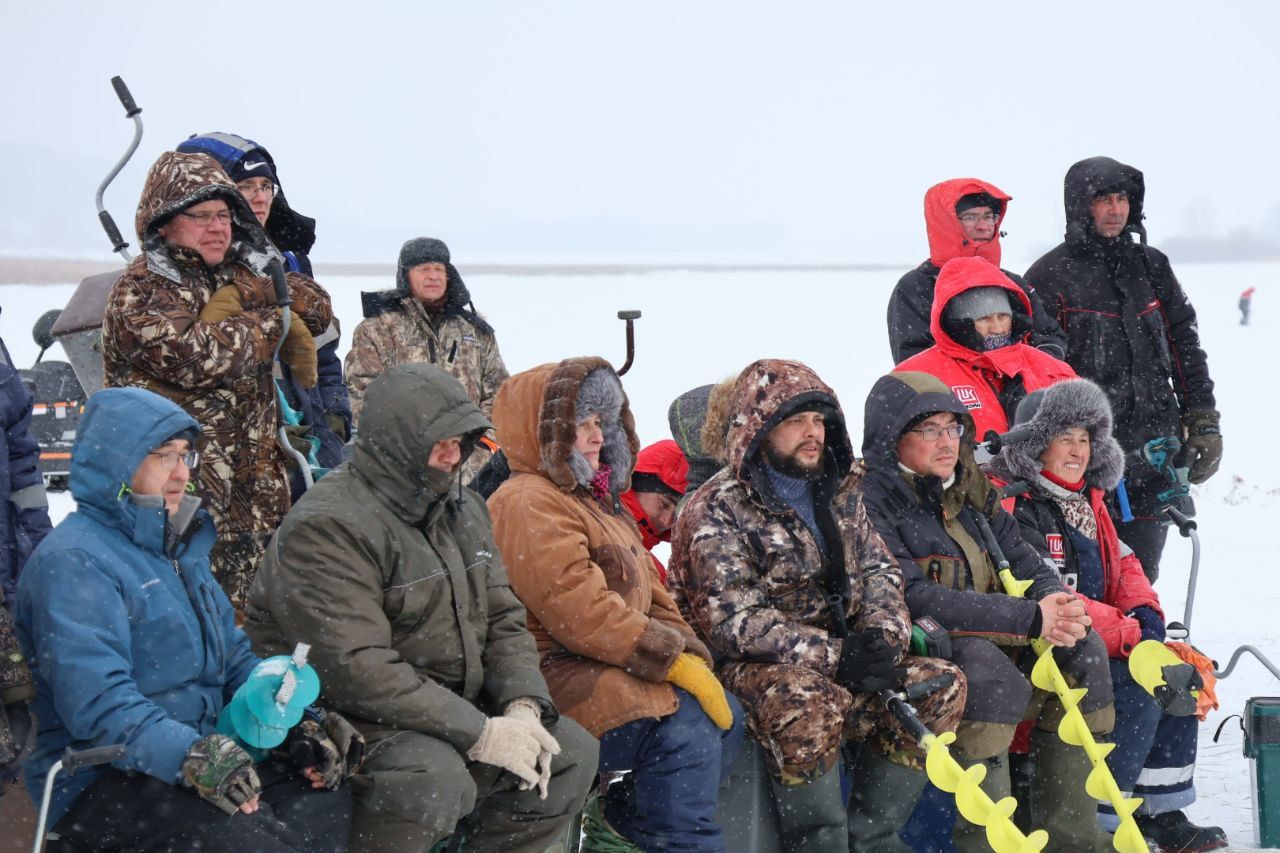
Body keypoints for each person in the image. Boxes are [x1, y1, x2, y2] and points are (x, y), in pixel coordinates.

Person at [244, 364, 597, 852]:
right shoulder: (330, 527)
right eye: (439, 444)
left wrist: (522, 706)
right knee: (430, 780)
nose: (453, 457)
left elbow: (502, 617)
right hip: (343, 716)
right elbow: (354, 669)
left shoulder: (462, 508)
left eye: (461, 442)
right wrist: (479, 732)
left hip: (443, 702)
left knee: (570, 753)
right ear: (399, 443)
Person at [15, 387, 353, 851]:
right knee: (252, 841)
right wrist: (191, 753)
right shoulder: (75, 562)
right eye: (162, 457)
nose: (180, 474)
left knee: (319, 801)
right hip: (101, 778)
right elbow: (98, 704)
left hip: (199, 758)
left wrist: (295, 722)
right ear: (117, 462)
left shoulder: (176, 549)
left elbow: (232, 658)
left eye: (185, 457)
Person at [669, 358, 967, 851]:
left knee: (940, 685)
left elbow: (880, 571)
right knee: (806, 701)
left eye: (818, 420)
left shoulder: (842, 487)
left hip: (842, 659)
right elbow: (732, 622)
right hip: (744, 670)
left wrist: (880, 642)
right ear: (758, 430)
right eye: (794, 421)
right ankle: (818, 842)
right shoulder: (715, 507)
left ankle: (872, 838)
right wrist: (835, 657)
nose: (812, 433)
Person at [488, 357, 744, 852]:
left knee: (724, 714)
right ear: (542, 432)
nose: (595, 436)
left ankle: (626, 824)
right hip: (551, 669)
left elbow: (655, 596)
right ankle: (667, 840)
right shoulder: (527, 499)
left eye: (599, 423)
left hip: (604, 661)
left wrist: (689, 656)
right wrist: (668, 662)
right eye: (579, 424)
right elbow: (577, 610)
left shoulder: (597, 502)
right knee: (681, 725)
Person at [861, 370, 1115, 851]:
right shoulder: (873, 504)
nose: (945, 442)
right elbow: (913, 596)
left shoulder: (971, 490)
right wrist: (1028, 619)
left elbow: (1025, 557)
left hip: (1002, 631)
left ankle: (1074, 839)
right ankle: (985, 842)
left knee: (1086, 651)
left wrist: (1055, 601)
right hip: (925, 643)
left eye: (952, 428)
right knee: (986, 671)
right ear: (892, 437)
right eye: (928, 429)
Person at [986, 378, 1228, 852]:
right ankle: (1104, 816)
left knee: (1179, 675)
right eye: (1064, 438)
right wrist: (1134, 638)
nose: (1077, 450)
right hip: (1041, 649)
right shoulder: (1017, 504)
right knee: (1139, 688)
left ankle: (1161, 809)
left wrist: (1147, 619)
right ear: (1037, 446)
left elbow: (1126, 566)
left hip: (1104, 641)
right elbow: (1049, 591)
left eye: (1085, 439)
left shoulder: (1088, 501)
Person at [101, 150, 335, 609]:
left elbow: (318, 305)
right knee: (187, 637)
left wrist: (245, 292)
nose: (218, 228)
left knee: (259, 643)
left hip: (257, 508)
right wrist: (273, 321)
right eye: (202, 216)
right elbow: (200, 356)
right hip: (180, 509)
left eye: (225, 216)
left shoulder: (240, 267)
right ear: (164, 221)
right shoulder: (141, 289)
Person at [1025, 157, 1221, 582]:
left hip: (1155, 450)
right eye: (1103, 200)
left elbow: (1185, 346)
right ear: (1081, 206)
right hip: (1083, 458)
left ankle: (1142, 642)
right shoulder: (1048, 276)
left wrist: (1203, 419)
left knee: (1140, 575)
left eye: (1123, 199)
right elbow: (1037, 375)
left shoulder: (1152, 267)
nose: (1116, 209)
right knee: (1086, 578)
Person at [176, 132, 353, 491]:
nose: (259, 197)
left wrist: (334, 421)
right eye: (246, 186)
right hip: (236, 461)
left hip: (311, 445)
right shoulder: (189, 273)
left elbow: (326, 353)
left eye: (266, 186)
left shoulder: (290, 264)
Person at [345, 237, 507, 482]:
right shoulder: (376, 329)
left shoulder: (475, 331)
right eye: (423, 269)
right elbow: (363, 394)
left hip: (472, 471)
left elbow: (499, 392)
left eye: (439, 269)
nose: (433, 276)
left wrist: (482, 444)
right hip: (402, 471)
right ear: (406, 276)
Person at [896, 256, 1077, 441]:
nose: (998, 328)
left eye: (1003, 316)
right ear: (958, 323)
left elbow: (1087, 444)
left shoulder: (1054, 370)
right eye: (984, 318)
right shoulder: (916, 378)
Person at [887, 178, 1067, 364]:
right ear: (945, 223)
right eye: (970, 217)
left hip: (1019, 390)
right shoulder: (917, 287)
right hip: (952, 391)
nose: (982, 226)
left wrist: (1033, 371)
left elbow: (1048, 337)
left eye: (988, 216)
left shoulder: (1012, 283)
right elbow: (915, 360)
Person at [619, 439, 689, 584]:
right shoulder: (587, 518)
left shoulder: (657, 576)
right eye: (664, 504)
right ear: (635, 484)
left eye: (677, 516)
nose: (667, 522)